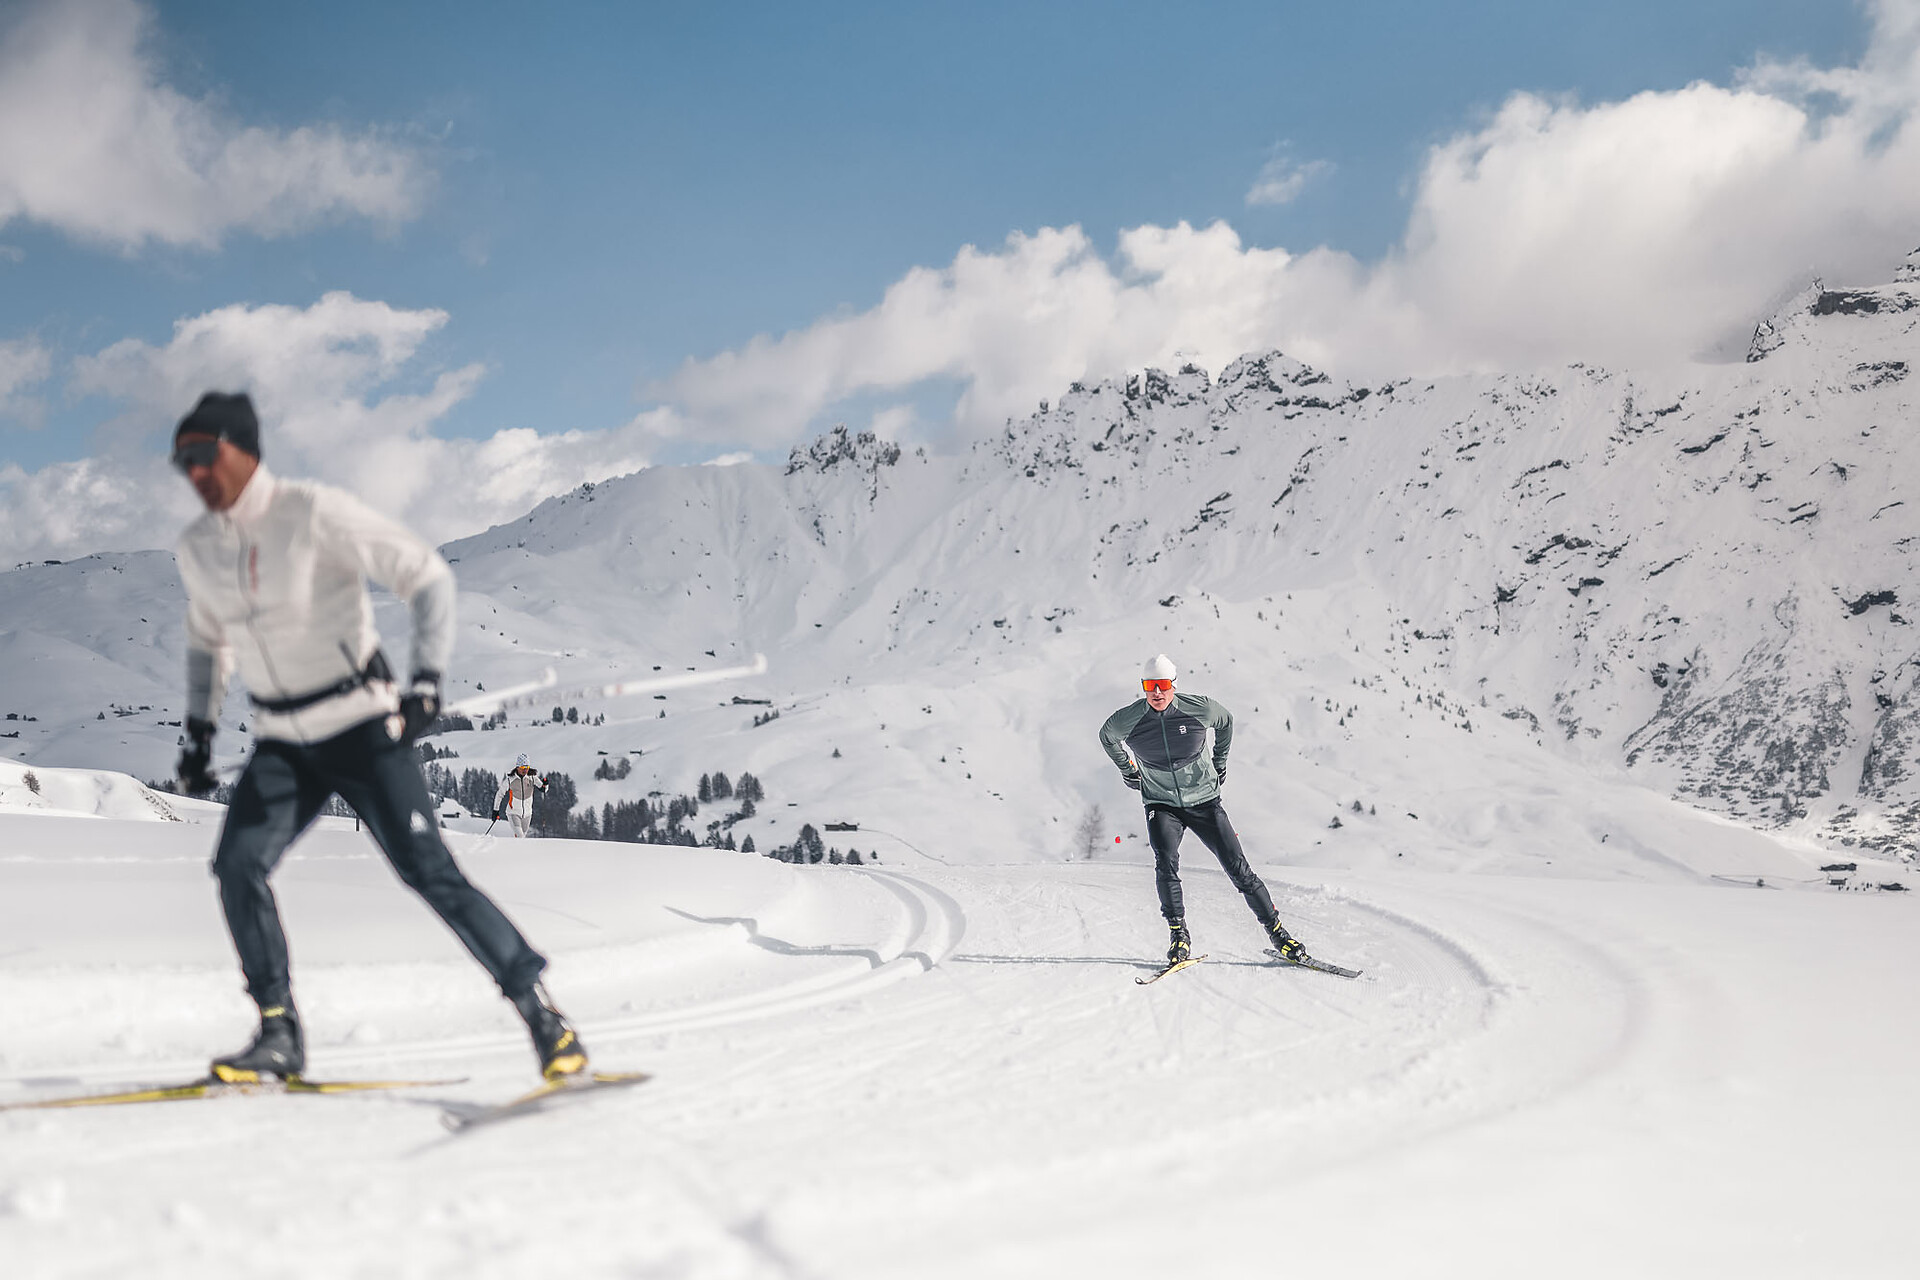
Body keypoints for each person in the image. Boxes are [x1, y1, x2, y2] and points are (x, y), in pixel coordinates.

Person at [169, 391, 587, 1083]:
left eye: (203, 454)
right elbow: (207, 639)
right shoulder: (198, 548)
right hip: (282, 742)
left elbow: (426, 577)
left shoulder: (312, 513)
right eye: (182, 460)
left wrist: (426, 681)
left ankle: (544, 1016)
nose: (193, 472)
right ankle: (278, 1034)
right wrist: (198, 733)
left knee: (430, 873)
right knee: (237, 865)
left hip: (361, 728)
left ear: (243, 450)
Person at [1098, 653, 1307, 967]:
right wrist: (1128, 770)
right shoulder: (1128, 719)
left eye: (1163, 685)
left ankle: (1280, 936)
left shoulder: (1200, 709)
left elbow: (1226, 722)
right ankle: (1178, 934)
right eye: (1150, 686)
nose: (1156, 693)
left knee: (1239, 870)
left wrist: (1220, 763)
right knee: (1165, 861)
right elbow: (1107, 736)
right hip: (1160, 802)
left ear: (1174, 685)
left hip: (1205, 801)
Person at [492, 755, 547, 837]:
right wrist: (495, 810)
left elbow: (544, 789)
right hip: (513, 812)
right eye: (522, 767)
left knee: (521, 837)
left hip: (527, 814)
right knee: (520, 836)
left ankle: (515, 849)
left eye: (527, 767)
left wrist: (546, 785)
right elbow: (499, 794)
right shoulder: (510, 780)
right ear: (517, 767)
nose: (525, 770)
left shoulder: (532, 778)